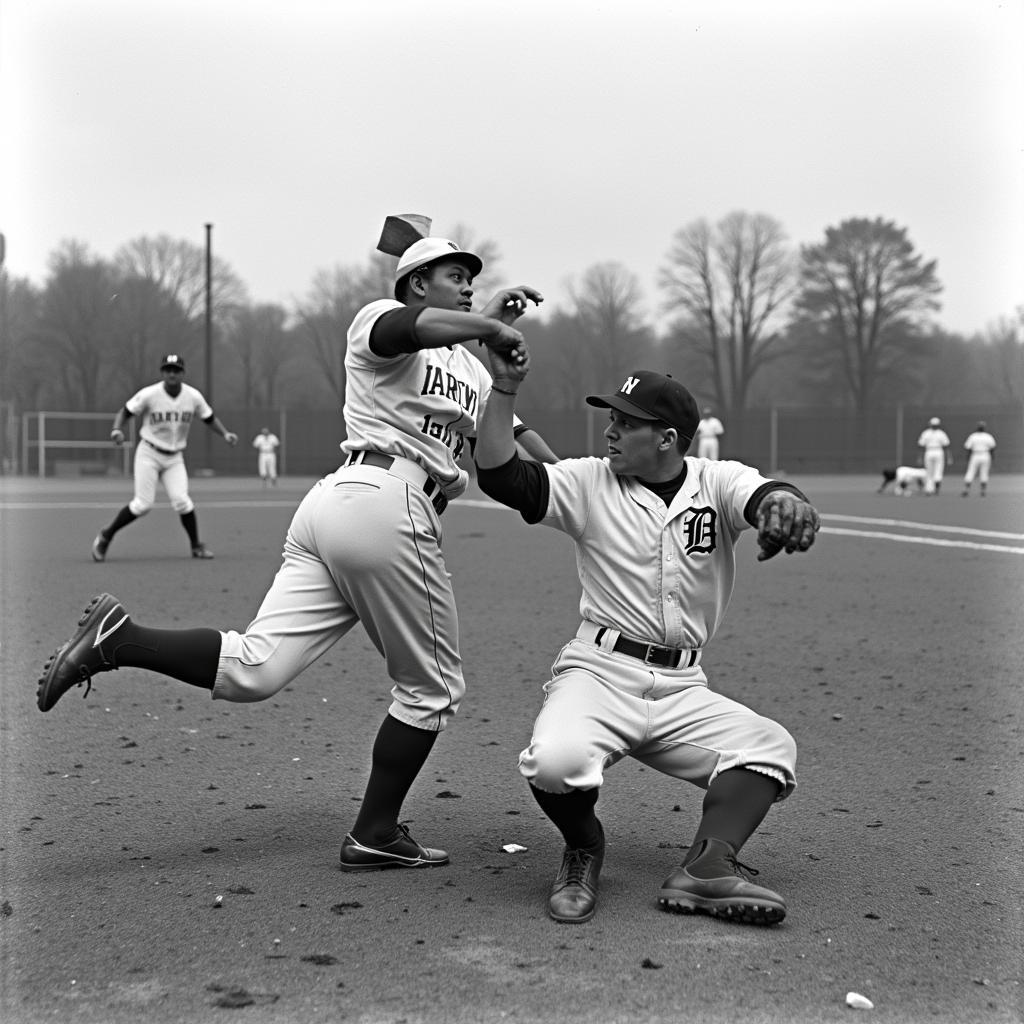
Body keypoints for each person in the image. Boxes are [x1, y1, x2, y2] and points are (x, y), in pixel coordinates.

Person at [39, 226, 559, 875]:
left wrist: (561, 466)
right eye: (455, 273)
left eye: (471, 276)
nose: (469, 281)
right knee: (433, 688)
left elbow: (504, 444)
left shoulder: (472, 370)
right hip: (386, 502)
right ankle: (374, 832)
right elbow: (408, 328)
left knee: (256, 668)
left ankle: (120, 639)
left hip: (339, 511)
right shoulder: (381, 321)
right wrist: (480, 320)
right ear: (418, 281)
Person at [474, 355, 820, 927]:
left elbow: (763, 494)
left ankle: (708, 866)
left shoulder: (717, 480)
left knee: (771, 748)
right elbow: (501, 475)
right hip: (599, 671)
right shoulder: (587, 481)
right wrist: (505, 387)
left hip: (682, 684)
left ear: (666, 439)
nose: (610, 429)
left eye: (626, 422)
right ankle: (584, 846)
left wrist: (786, 502)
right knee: (555, 763)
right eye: (611, 417)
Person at [91, 354, 238, 561]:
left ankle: (196, 546)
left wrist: (225, 434)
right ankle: (106, 536)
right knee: (143, 504)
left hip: (174, 457)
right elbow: (125, 412)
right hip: (148, 453)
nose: (172, 374)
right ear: (162, 372)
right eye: (168, 370)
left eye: (176, 370)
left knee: (182, 501)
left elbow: (209, 418)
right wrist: (117, 429)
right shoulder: (150, 394)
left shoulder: (193, 396)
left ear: (182, 373)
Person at [916, 416, 951, 495]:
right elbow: (946, 446)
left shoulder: (926, 433)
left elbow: (921, 446)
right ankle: (936, 487)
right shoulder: (941, 433)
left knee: (929, 471)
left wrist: (919, 457)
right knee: (938, 470)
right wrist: (949, 457)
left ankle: (929, 489)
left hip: (929, 452)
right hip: (938, 452)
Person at [961, 421, 996, 497]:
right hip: (985, 454)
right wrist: (992, 457)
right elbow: (992, 448)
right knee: (984, 472)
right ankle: (983, 490)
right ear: (984, 428)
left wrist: (968, 457)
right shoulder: (988, 436)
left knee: (971, 471)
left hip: (975, 455)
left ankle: (966, 489)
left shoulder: (973, 436)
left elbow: (968, 448)